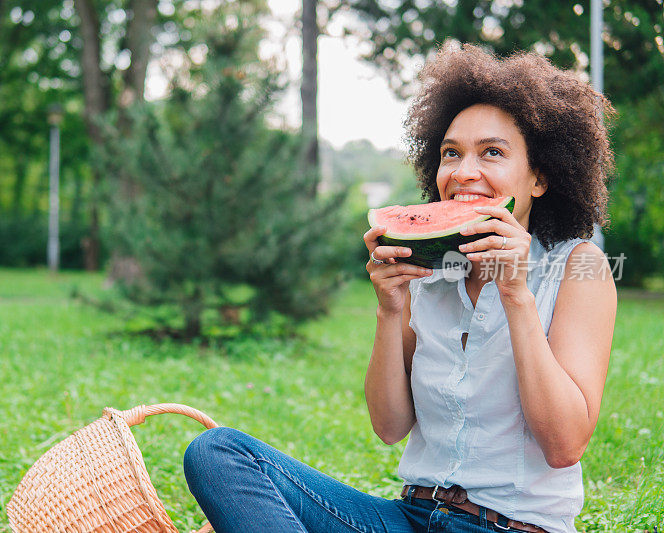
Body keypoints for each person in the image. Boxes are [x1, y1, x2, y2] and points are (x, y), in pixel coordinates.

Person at [182, 42, 617, 533]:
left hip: (511, 525)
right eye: (450, 153)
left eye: (492, 152)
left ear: (539, 177)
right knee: (217, 452)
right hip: (409, 517)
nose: (463, 172)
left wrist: (516, 295)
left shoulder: (579, 269)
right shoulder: (429, 273)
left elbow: (565, 446)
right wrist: (392, 310)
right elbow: (389, 427)